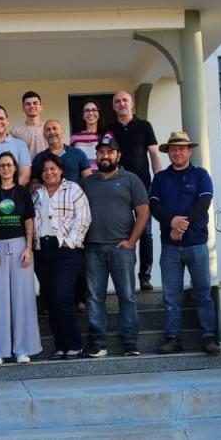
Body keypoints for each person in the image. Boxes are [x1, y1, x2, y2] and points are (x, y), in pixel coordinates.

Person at [149, 131, 221, 356]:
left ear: (189, 151)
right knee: (171, 294)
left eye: (181, 148)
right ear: (168, 152)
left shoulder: (201, 174)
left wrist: (181, 224)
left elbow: (204, 203)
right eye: (173, 149)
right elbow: (154, 206)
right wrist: (171, 221)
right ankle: (173, 338)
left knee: (203, 292)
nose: (177, 152)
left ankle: (209, 337)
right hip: (170, 247)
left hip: (197, 244)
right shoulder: (160, 178)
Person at [80, 133, 150, 358]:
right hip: (92, 248)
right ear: (96, 156)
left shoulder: (131, 180)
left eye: (110, 152)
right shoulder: (87, 183)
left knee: (127, 296)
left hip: (121, 248)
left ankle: (130, 342)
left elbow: (143, 212)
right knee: (94, 297)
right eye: (101, 152)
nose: (105, 156)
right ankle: (98, 342)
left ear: (118, 155)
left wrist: (131, 242)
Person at [0, 151, 42, 364]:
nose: (6, 168)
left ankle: (23, 349)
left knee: (23, 299)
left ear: (15, 168)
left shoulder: (22, 193)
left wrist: (28, 248)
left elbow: (29, 221)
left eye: (9, 165)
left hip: (20, 247)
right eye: (2, 165)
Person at [32, 154, 91, 359]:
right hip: (42, 249)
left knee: (62, 295)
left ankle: (74, 343)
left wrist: (69, 243)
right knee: (49, 298)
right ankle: (61, 346)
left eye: (53, 168)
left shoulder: (73, 189)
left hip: (66, 249)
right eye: (45, 170)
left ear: (61, 170)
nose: (49, 172)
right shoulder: (36, 194)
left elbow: (83, 219)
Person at [106, 90, 161, 291]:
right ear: (113, 106)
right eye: (117, 101)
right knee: (122, 232)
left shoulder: (144, 126)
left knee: (145, 233)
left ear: (132, 104)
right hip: (117, 187)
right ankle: (126, 278)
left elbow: (154, 154)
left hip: (143, 187)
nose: (121, 104)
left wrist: (159, 179)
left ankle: (145, 276)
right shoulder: (109, 130)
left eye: (125, 100)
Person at [31, 119, 92, 185]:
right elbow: (34, 183)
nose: (52, 132)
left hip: (75, 194)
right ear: (44, 135)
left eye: (55, 128)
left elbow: (89, 180)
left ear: (62, 132)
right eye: (48, 130)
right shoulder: (39, 158)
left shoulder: (78, 154)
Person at [10, 90, 46, 158]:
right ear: (23, 108)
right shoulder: (15, 131)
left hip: (47, 168)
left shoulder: (49, 128)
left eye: (35, 103)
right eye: (28, 104)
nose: (32, 106)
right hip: (25, 168)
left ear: (41, 107)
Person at [70, 101, 103, 172]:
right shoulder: (75, 137)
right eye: (87, 110)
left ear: (99, 114)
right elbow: (72, 159)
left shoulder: (105, 136)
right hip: (81, 179)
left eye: (94, 110)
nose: (90, 113)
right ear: (83, 115)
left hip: (101, 179)